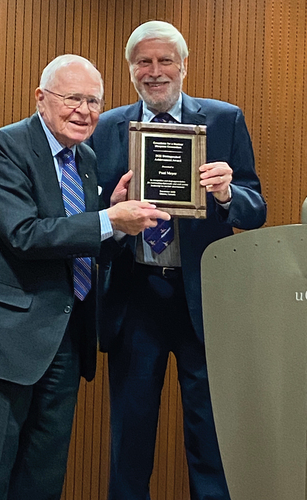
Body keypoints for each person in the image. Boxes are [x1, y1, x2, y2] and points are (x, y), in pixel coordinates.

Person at [0, 53, 170, 500]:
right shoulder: (5, 146)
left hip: (66, 341)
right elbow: (24, 235)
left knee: (43, 478)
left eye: (94, 101)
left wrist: (117, 216)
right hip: (2, 343)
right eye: (73, 98)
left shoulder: (84, 157)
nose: (84, 111)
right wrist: (108, 218)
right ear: (41, 99)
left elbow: (82, 241)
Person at [87, 21, 267, 500]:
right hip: (135, 300)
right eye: (143, 62)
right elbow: (92, 227)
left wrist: (229, 193)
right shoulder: (107, 127)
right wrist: (112, 208)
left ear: (184, 66)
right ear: (130, 72)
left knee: (210, 442)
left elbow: (256, 211)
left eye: (165, 60)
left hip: (204, 305)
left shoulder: (225, 120)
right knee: (130, 445)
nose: (155, 71)